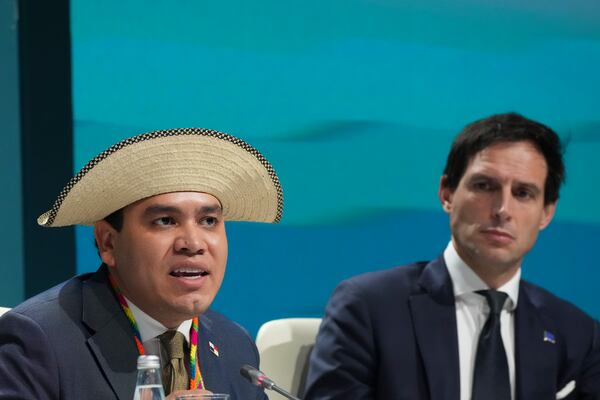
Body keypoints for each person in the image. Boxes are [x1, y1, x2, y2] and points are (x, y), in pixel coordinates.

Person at [304, 113, 600, 400]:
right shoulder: (369, 308)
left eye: (523, 193)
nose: (502, 209)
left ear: (546, 213)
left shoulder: (578, 336)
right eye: (485, 186)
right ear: (447, 193)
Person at [0, 127, 283, 400]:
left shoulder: (235, 345)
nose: (193, 243)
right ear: (108, 243)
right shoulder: (40, 340)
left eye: (208, 221)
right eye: (165, 221)